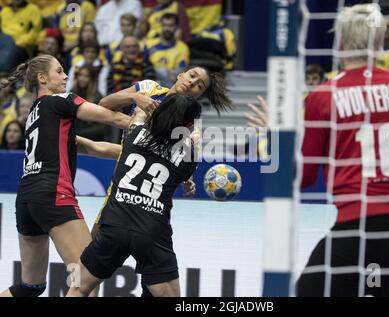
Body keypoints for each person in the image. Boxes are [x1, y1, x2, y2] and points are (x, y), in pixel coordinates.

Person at [247, 4, 389, 297]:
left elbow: (304, 176)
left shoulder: (324, 96)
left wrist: (276, 137)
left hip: (358, 227)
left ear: (342, 43)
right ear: (381, 41)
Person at [77, 65, 231, 296]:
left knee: (89, 278)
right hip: (120, 193)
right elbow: (104, 105)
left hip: (148, 205)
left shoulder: (191, 126)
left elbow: (175, 165)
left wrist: (186, 179)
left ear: (200, 94)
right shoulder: (149, 89)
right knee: (90, 275)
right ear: (180, 74)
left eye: (200, 85)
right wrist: (135, 97)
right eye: (192, 75)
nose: (192, 83)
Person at [0, 54, 132, 297]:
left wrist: (135, 154)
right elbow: (113, 117)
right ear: (42, 78)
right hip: (53, 194)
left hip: (27, 200)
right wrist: (153, 130)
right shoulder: (61, 100)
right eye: (59, 71)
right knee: (86, 283)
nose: (65, 76)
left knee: (30, 287)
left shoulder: (35, 115)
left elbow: (92, 146)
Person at [67, 93, 201, 297]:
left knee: (78, 287)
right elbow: (189, 149)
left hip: (114, 225)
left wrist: (140, 97)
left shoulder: (134, 132)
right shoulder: (189, 156)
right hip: (152, 232)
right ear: (188, 125)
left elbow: (139, 113)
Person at [146, 13, 190, 87]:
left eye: (170, 26)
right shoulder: (149, 44)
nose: (167, 29)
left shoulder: (182, 48)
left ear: (176, 27)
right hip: (149, 83)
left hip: (169, 86)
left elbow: (179, 74)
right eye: (164, 25)